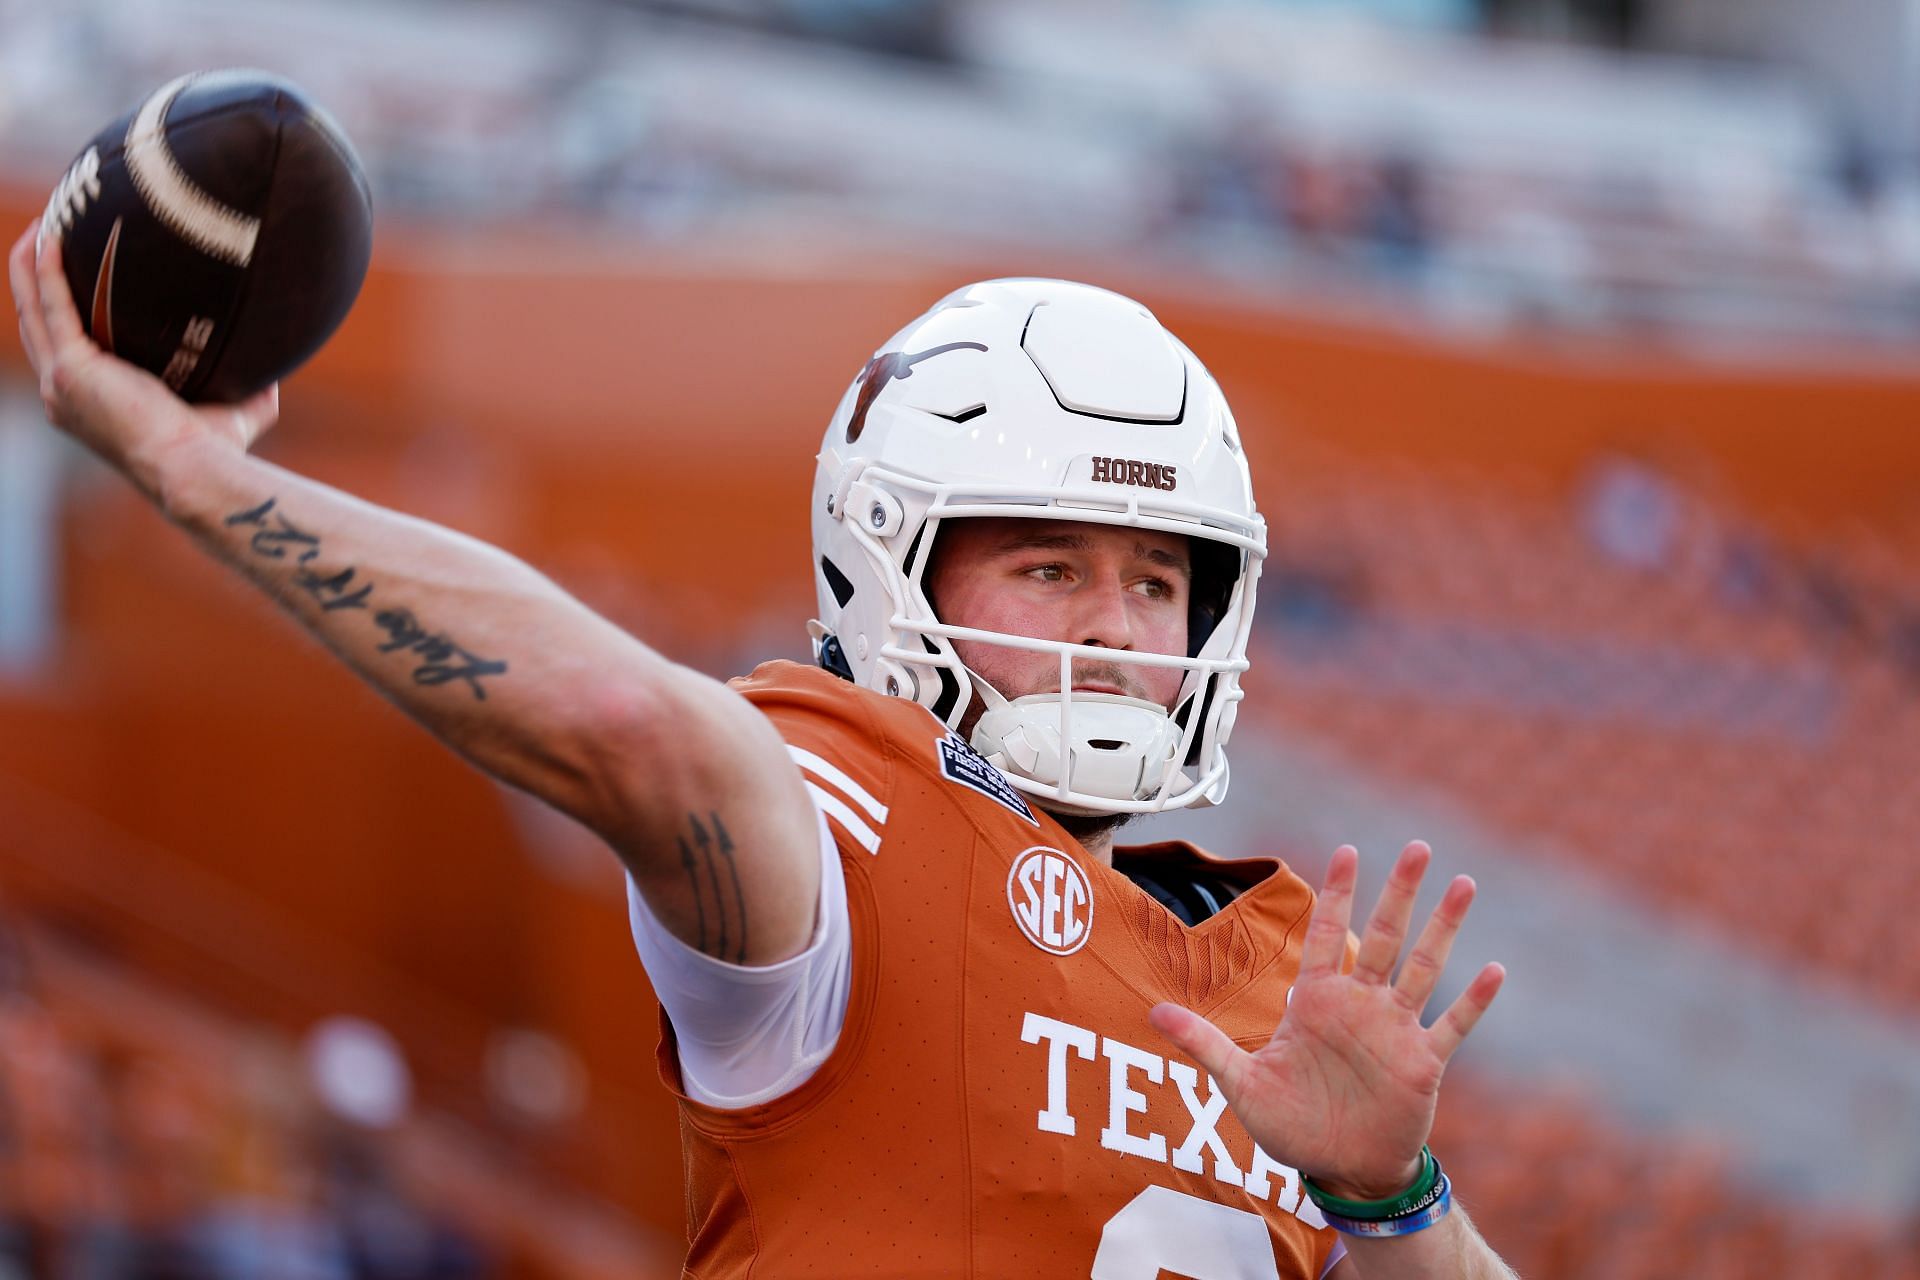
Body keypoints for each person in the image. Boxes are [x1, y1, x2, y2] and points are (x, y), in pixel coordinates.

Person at [11, 229, 1509, 1277]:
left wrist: (1394, 1203)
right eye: (1049, 570)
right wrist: (204, 475)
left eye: (1157, 582)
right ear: (890, 569)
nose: (1117, 630)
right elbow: (619, 719)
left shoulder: (1291, 973)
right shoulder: (847, 828)